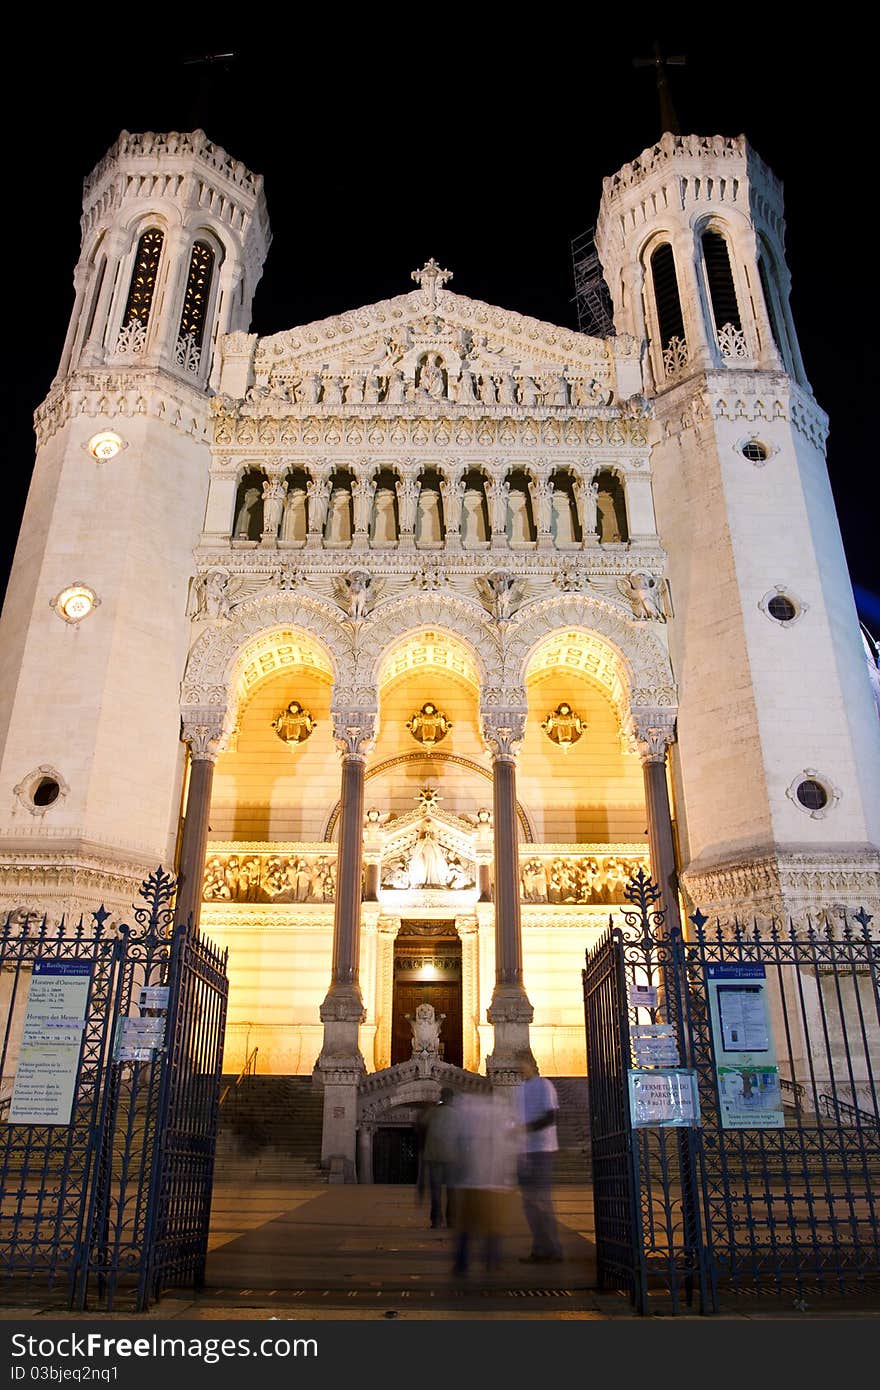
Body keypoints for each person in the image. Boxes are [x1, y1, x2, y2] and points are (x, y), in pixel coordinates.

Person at [452, 1090, 518, 1275]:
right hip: (495, 1185)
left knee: (467, 1226)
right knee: (493, 1226)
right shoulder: (502, 1115)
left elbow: (459, 1145)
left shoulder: (467, 1113)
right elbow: (511, 1146)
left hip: (472, 1182)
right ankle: (492, 1262)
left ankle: (462, 1263)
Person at [515, 1056, 563, 1263]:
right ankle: (540, 1248)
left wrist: (526, 1128)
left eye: (522, 1063)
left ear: (532, 1065)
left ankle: (553, 1249)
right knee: (529, 1203)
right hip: (525, 1152)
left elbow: (551, 1116)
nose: (519, 1067)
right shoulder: (520, 1090)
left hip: (542, 1149)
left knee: (541, 1200)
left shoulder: (544, 1085)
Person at [417, 1087, 460, 1229]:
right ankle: (452, 1220)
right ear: (452, 1099)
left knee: (436, 1190)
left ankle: (436, 1220)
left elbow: (421, 1123)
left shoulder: (433, 1112)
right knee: (452, 1190)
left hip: (433, 1156)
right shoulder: (456, 1114)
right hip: (452, 1156)